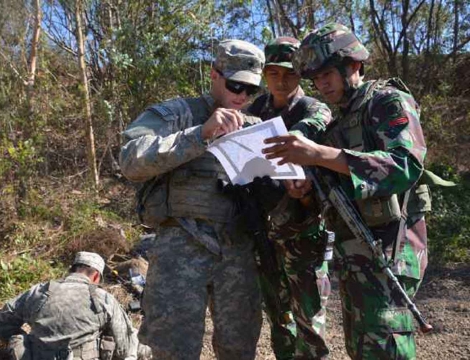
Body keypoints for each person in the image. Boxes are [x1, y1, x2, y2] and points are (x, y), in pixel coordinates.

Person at [263, 23, 430, 359]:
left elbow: (404, 166)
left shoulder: (386, 101)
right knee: (362, 348)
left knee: (386, 348)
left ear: (353, 66)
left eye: (328, 74)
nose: (321, 84)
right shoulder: (338, 121)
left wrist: (318, 154)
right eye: (316, 78)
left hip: (391, 251)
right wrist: (305, 188)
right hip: (353, 255)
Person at [119, 39, 265, 359]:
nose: (242, 96)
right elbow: (130, 159)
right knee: (171, 349)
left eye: (250, 90)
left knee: (239, 348)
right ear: (214, 74)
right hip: (180, 247)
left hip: (237, 251)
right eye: (235, 85)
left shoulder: (257, 129)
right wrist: (199, 135)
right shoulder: (175, 114)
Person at [246, 36, 332, 360]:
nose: (281, 81)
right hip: (266, 233)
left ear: (301, 75)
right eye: (274, 73)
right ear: (264, 75)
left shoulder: (313, 109)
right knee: (279, 320)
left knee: (309, 322)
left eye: (290, 74)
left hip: (305, 231)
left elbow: (317, 128)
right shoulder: (255, 109)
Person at [0, 251, 152, 360]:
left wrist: (30, 343)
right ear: (96, 275)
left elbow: (1, 323)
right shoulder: (103, 299)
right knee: (135, 338)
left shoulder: (39, 291)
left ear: (72, 269)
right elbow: (123, 348)